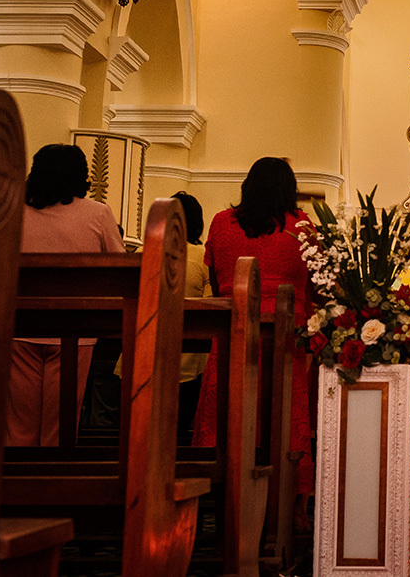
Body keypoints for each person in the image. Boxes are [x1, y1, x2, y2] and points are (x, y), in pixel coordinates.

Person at [192, 157, 316, 531]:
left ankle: (219, 502)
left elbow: (216, 280)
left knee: (228, 417)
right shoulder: (302, 226)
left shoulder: (220, 223)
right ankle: (292, 512)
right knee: (287, 424)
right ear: (288, 189)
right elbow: (314, 285)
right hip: (286, 340)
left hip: (233, 333)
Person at [11, 144, 125, 446]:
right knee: (59, 428)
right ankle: (55, 486)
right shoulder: (98, 214)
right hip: (76, 329)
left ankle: (17, 488)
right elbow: (120, 269)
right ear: (81, 176)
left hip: (19, 325)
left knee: (18, 427)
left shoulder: (13, 213)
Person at [113, 191, 209, 437]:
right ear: (196, 223)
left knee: (136, 432)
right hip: (185, 358)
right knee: (175, 434)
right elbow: (210, 305)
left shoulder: (142, 253)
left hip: (139, 354)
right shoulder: (203, 258)